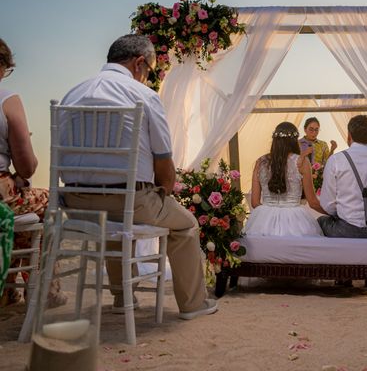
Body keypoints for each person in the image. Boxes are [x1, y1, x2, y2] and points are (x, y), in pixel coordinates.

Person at [61, 35, 217, 320]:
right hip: (130, 200)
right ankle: (193, 304)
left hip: (76, 205)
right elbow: (164, 164)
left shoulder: (72, 94)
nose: (148, 77)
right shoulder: (143, 96)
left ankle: (122, 297)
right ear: (139, 63)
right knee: (186, 226)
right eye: (151, 70)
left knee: (116, 223)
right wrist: (164, 192)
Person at [0, 38, 66, 307]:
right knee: (49, 201)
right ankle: (45, 291)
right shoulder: (7, 99)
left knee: (21, 213)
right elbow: (27, 166)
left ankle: (8, 290)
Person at [244, 122, 326, 236]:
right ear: (294, 140)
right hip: (295, 222)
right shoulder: (301, 162)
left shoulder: (261, 162)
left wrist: (269, 215)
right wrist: (334, 213)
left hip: (263, 222)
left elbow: (254, 202)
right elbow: (312, 202)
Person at [318, 115, 367, 239]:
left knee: (321, 221)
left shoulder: (336, 160)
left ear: (349, 135)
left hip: (346, 230)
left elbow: (328, 204)